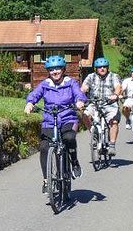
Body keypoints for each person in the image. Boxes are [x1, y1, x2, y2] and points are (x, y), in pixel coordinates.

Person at [24, 55, 87, 194]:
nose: (55, 72)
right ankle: (47, 180)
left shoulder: (71, 82)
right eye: (52, 69)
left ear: (64, 69)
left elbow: (79, 94)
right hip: (50, 120)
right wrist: (30, 103)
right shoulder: (45, 84)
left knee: (69, 138)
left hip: (67, 117)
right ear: (48, 71)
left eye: (58, 69)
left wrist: (80, 101)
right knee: (44, 147)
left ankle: (74, 162)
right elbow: (35, 94)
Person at [80, 57, 122, 156]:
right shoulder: (91, 76)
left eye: (104, 67)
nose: (102, 69)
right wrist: (80, 96)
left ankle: (111, 145)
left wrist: (115, 95)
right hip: (93, 103)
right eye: (99, 67)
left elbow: (118, 87)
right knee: (85, 115)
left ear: (107, 68)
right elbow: (84, 88)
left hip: (109, 104)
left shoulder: (113, 76)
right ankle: (94, 134)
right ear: (96, 69)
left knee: (114, 122)